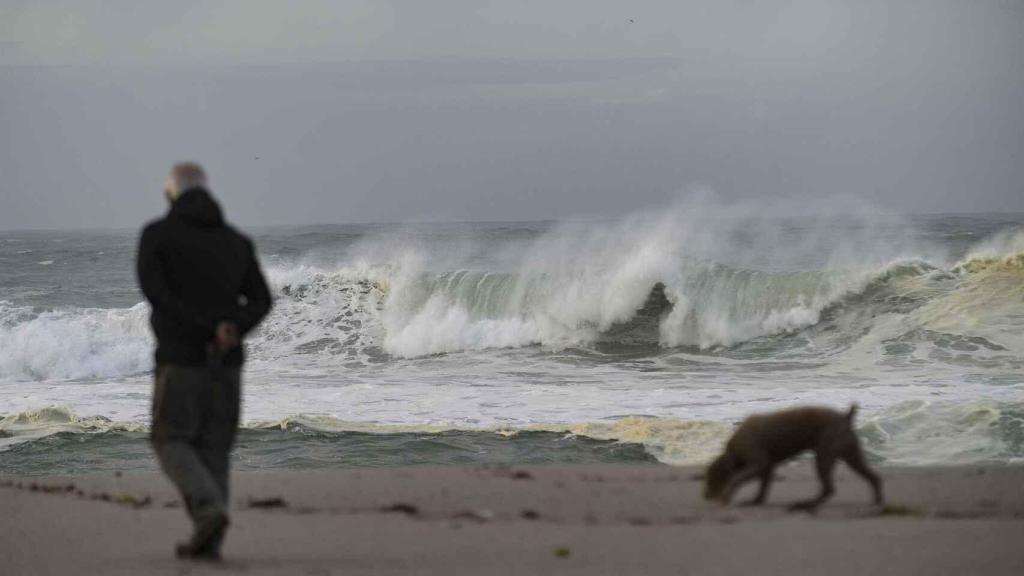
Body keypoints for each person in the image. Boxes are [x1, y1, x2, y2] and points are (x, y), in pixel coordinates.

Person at [136, 162, 272, 560]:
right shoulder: (236, 241)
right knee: (215, 449)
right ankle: (208, 543)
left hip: (181, 360)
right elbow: (262, 300)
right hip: (227, 364)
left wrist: (201, 328)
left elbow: (156, 292)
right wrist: (231, 327)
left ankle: (209, 512)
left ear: (171, 194)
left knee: (169, 438)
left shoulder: (158, 236)